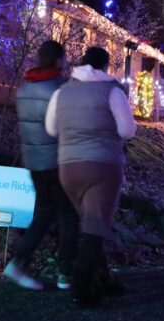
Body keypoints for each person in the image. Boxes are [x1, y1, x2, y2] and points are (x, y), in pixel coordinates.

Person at [45, 47, 137, 306]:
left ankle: (103, 279)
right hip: (102, 166)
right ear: (105, 66)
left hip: (68, 167)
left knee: (90, 223)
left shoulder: (62, 91)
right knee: (95, 228)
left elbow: (51, 129)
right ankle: (82, 287)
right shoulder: (112, 91)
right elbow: (127, 130)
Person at [6, 40, 78, 291]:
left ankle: (18, 262)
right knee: (69, 215)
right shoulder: (62, 88)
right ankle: (65, 274)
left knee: (45, 212)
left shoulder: (24, 88)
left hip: (34, 162)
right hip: (58, 161)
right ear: (59, 60)